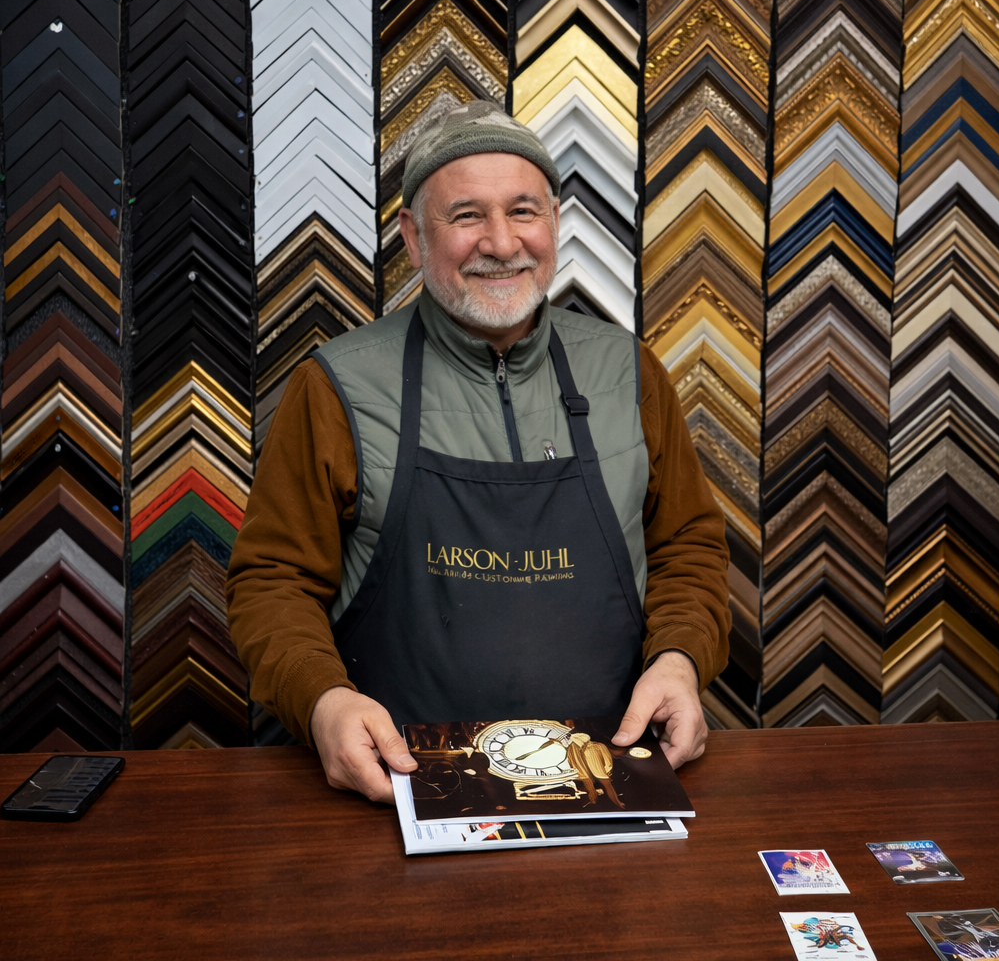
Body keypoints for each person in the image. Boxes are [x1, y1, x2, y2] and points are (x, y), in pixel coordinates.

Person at [227, 101, 731, 802]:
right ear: (412, 235)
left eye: (523, 211)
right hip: (397, 783)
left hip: (606, 776)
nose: (501, 242)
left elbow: (688, 548)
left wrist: (679, 661)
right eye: (466, 216)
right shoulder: (337, 386)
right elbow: (272, 582)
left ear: (553, 222)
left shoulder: (627, 372)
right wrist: (322, 704)